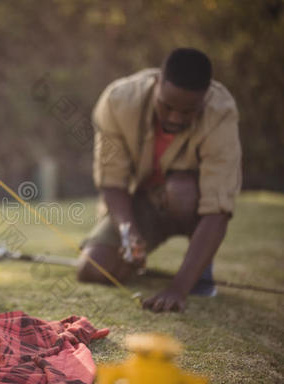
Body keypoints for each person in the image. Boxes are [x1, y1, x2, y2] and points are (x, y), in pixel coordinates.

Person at [77, 48, 241, 312]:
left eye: (189, 111)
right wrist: (128, 230)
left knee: (181, 192)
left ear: (205, 99)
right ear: (157, 84)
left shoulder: (221, 112)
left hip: (190, 204)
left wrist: (178, 289)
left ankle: (199, 268)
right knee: (92, 268)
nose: (175, 118)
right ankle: (136, 252)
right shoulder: (118, 100)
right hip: (139, 201)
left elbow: (218, 209)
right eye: (167, 106)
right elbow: (112, 181)